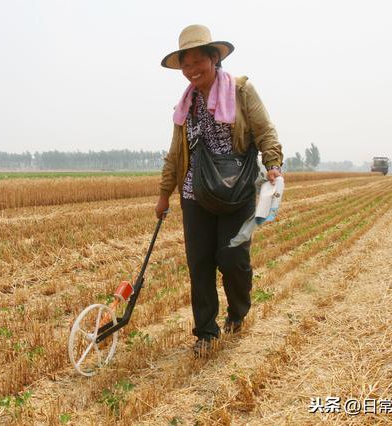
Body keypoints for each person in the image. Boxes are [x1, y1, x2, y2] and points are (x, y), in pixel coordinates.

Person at [155, 24, 284, 356]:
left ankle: (238, 312)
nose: (192, 69)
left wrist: (273, 164)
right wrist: (163, 193)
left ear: (215, 58)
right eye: (185, 64)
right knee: (199, 263)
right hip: (194, 193)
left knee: (232, 259)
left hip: (236, 189)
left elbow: (264, 130)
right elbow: (175, 152)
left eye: (198, 61)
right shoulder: (186, 106)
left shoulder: (241, 91)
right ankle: (206, 332)